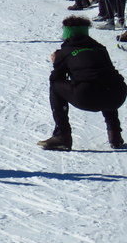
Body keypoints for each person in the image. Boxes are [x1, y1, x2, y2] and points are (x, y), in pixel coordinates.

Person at [38, 16, 126, 151]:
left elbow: (56, 78)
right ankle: (115, 135)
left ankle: (62, 136)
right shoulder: (100, 48)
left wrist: (57, 62)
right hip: (117, 95)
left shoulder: (64, 52)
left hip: (86, 97)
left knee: (56, 86)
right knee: (105, 80)